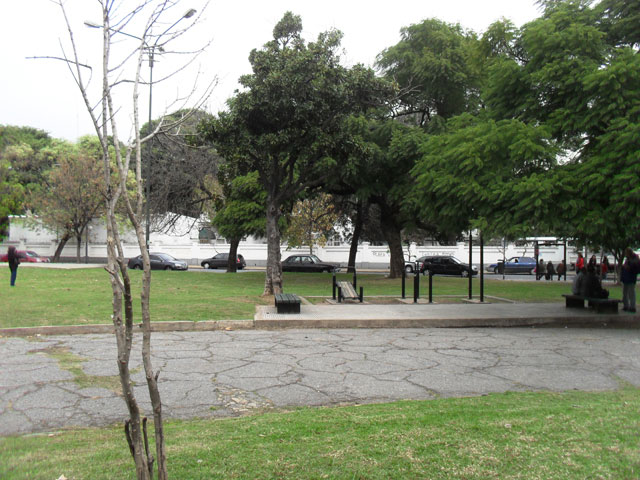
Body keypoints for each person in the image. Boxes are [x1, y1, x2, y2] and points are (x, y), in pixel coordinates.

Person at [621, 248, 639, 313]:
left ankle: (632, 306)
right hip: (626, 278)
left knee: (631, 293)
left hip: (631, 278)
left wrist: (629, 267)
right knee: (625, 292)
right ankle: (626, 305)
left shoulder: (635, 259)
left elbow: (635, 267)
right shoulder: (628, 259)